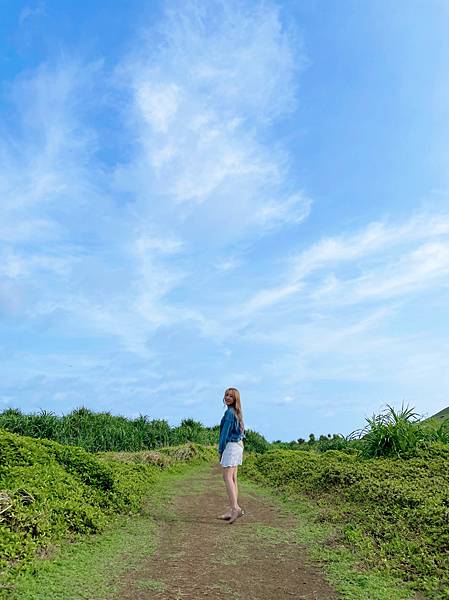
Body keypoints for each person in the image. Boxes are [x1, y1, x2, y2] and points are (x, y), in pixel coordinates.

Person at [217, 387, 246, 524]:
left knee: (227, 477)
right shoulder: (236, 412)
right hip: (238, 445)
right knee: (233, 477)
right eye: (226, 395)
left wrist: (220, 450)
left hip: (232, 446)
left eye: (231, 396)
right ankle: (233, 509)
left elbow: (224, 435)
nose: (228, 397)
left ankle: (235, 508)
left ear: (235, 399)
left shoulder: (229, 413)